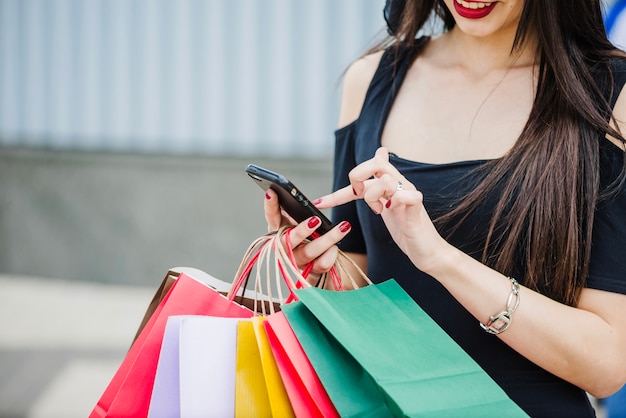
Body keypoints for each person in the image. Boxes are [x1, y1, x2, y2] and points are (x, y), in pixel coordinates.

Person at [263, 0, 626, 416]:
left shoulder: (609, 94)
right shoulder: (372, 79)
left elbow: (607, 365)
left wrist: (439, 258)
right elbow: (359, 285)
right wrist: (313, 266)